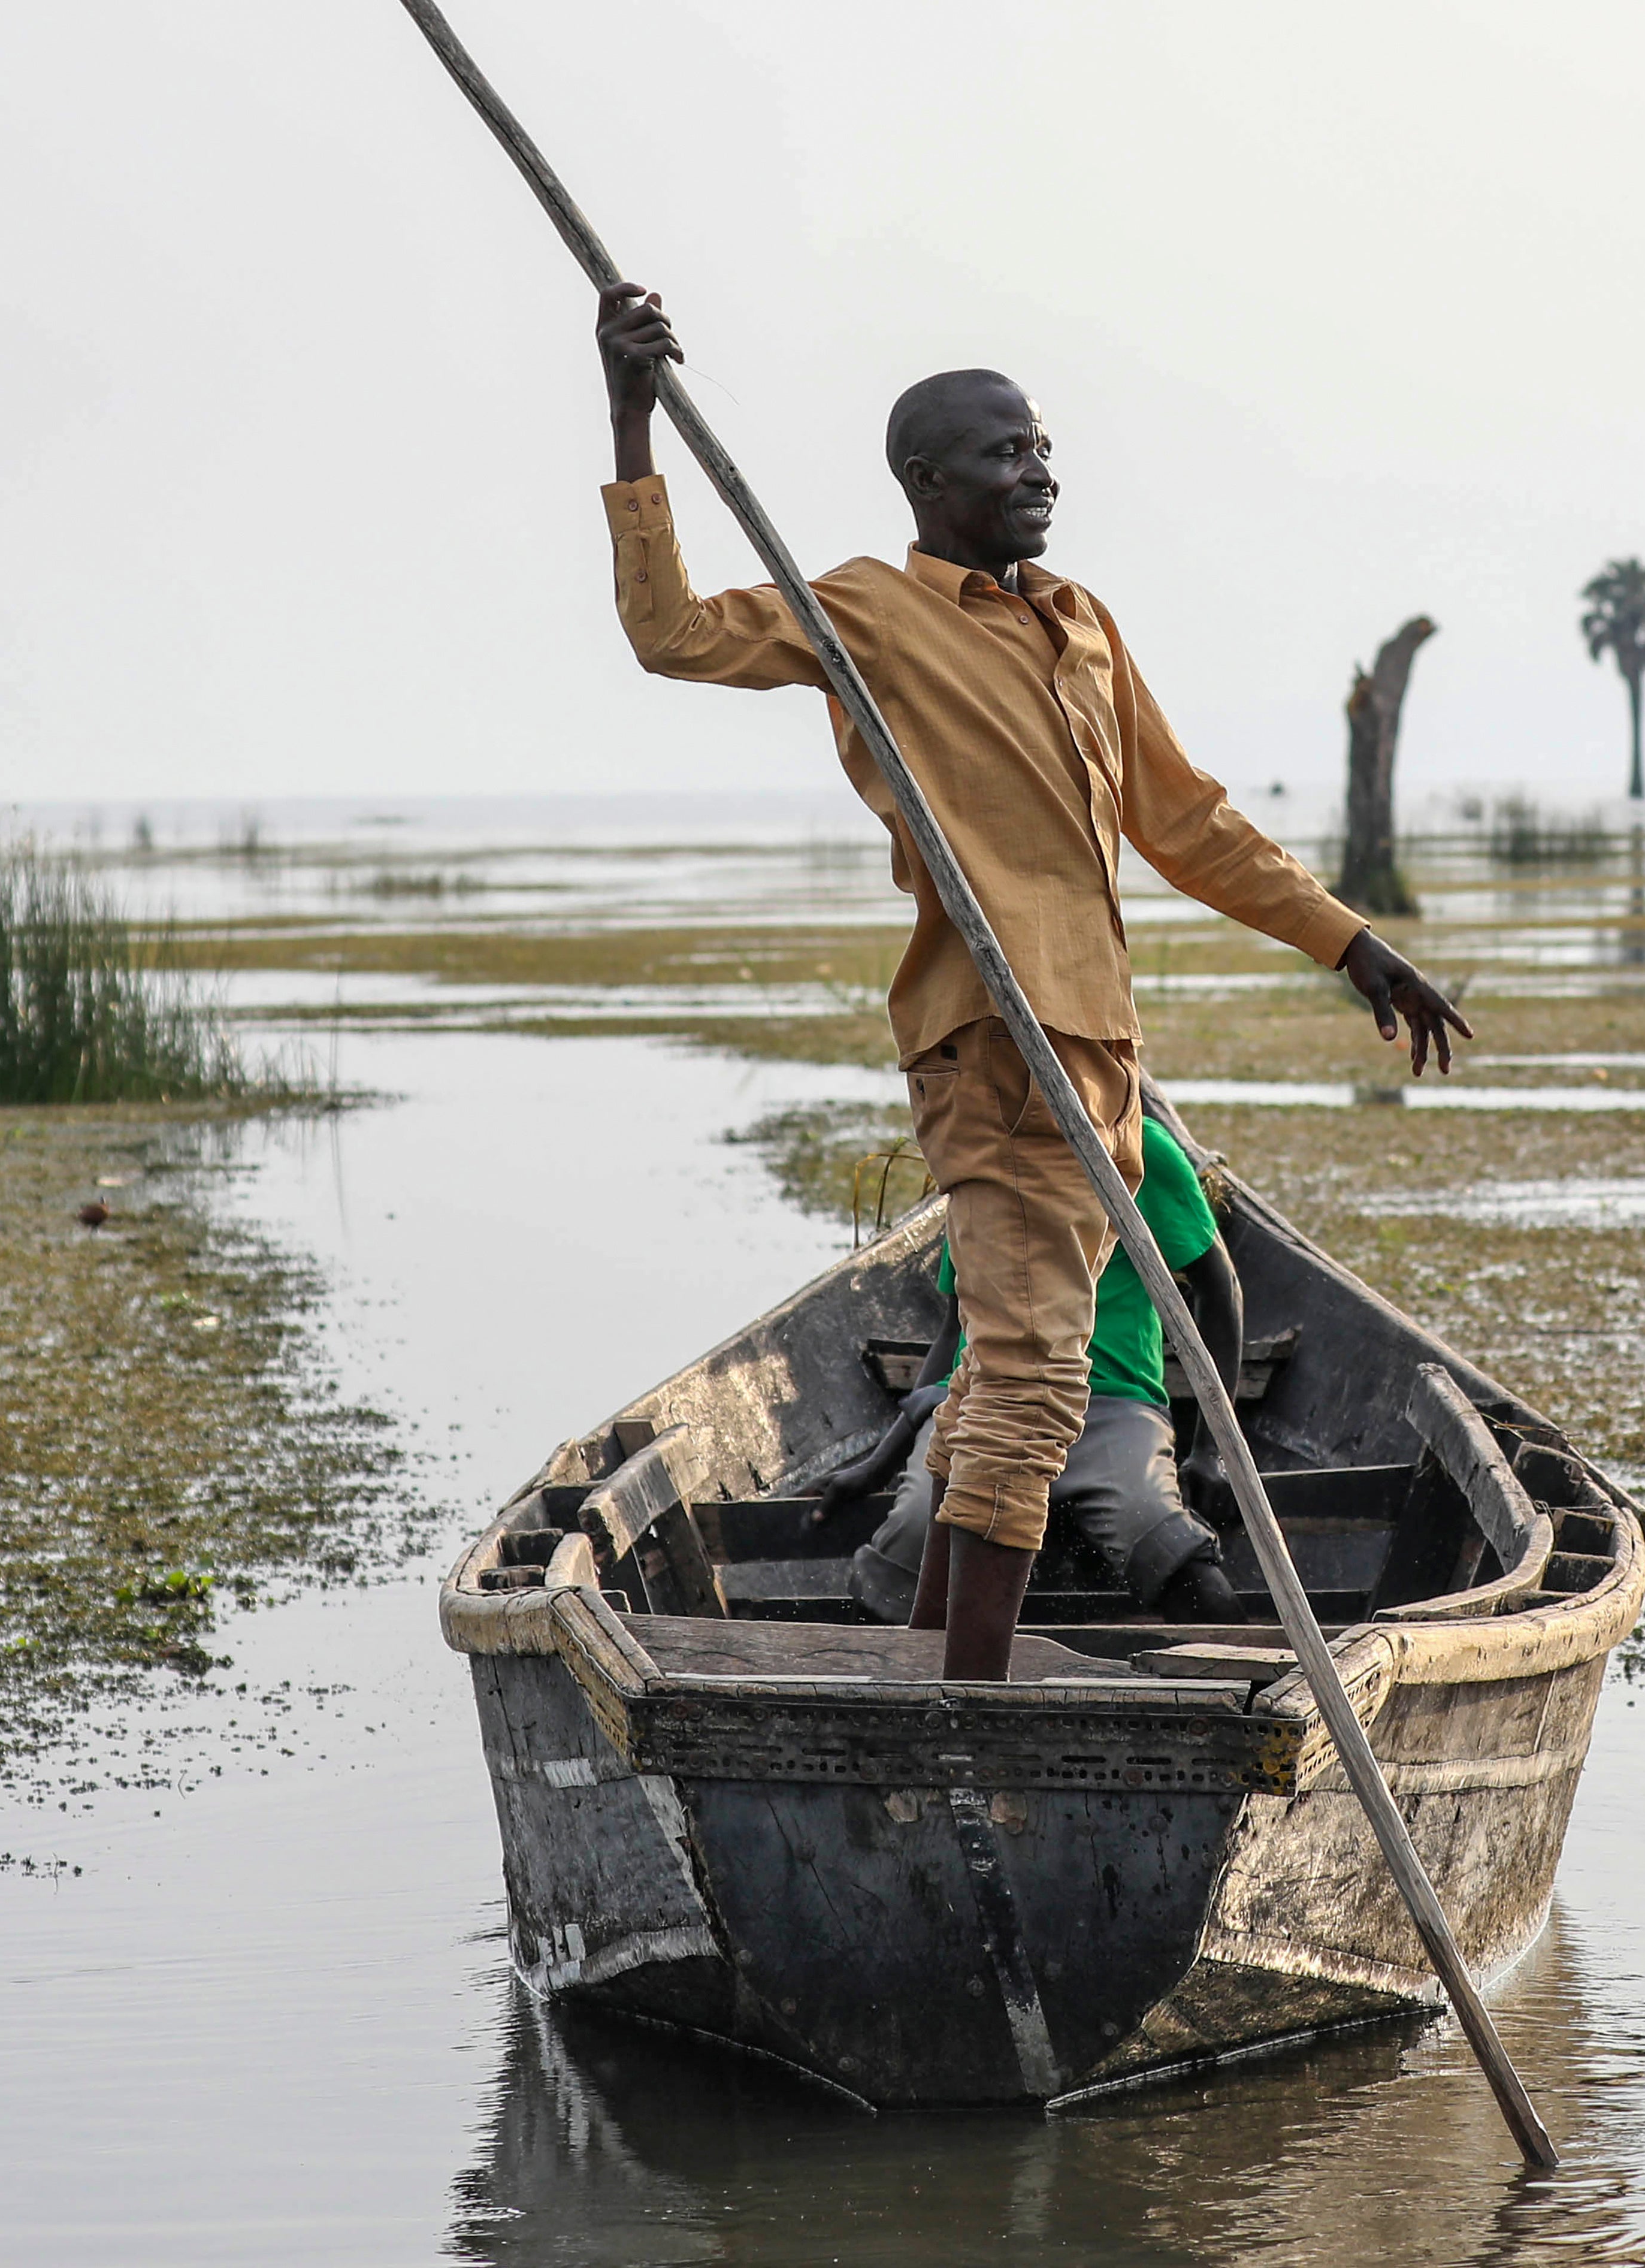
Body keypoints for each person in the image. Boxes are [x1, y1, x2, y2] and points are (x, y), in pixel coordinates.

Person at [594, 284, 1469, 1678]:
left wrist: (1352, 943)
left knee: (1009, 1381)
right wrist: (632, 420)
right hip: (994, 1044)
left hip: (1099, 1050)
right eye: (1004, 454)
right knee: (1029, 1386)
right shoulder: (869, 615)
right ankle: (968, 1704)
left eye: (1044, 449)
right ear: (928, 482)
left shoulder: (1080, 626)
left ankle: (938, 1667)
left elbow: (1188, 826)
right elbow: (674, 633)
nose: (1038, 472)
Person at [823, 1116, 1250, 1624]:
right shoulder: (978, 1150)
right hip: (982, 1400)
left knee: (1173, 1554)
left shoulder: (1139, 1146)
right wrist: (883, 1458)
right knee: (902, 1556)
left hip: (1110, 1403)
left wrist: (1213, 1453)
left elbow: (1220, 1291)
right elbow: (953, 1329)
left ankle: (1236, 1682)